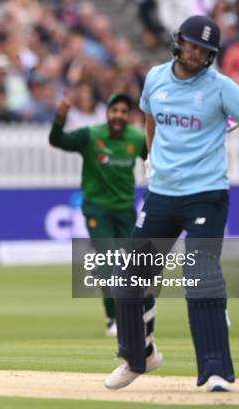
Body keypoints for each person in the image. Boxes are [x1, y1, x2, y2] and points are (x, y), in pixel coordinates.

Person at [104, 15, 239, 392]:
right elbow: (150, 118)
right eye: (191, 45)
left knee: (200, 276)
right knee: (128, 276)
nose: (196, 53)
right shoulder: (156, 78)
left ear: (211, 55)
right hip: (163, 195)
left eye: (204, 49)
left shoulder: (223, 88)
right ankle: (140, 356)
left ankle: (215, 370)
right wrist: (152, 157)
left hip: (206, 196)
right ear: (179, 43)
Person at [49, 92, 147, 337]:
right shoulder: (91, 135)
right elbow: (57, 141)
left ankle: (133, 313)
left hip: (125, 210)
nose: (119, 116)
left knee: (131, 264)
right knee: (108, 261)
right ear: (107, 113)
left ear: (129, 115)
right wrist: (59, 119)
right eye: (115, 111)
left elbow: (155, 160)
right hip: (97, 209)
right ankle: (113, 318)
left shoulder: (136, 138)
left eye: (124, 112)